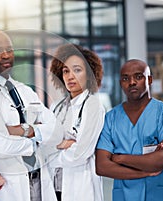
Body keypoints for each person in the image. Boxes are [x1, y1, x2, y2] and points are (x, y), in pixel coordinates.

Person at [0, 30, 61, 201]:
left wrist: (24, 130)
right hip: (10, 184)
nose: (5, 55)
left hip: (39, 177)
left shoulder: (24, 90)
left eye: (9, 50)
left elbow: (57, 130)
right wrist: (38, 141)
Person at [96, 59, 163, 201]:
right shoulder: (111, 119)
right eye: (125, 78)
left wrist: (120, 158)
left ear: (149, 80)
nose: (131, 82)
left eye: (138, 76)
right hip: (124, 196)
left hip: (158, 195)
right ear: (120, 83)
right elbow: (102, 166)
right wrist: (146, 171)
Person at [49, 43, 105, 201]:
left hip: (80, 186)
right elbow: (44, 143)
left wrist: (51, 155)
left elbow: (81, 153)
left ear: (89, 74)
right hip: (55, 186)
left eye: (77, 70)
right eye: (66, 71)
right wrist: (63, 144)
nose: (70, 76)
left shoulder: (93, 105)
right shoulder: (56, 107)